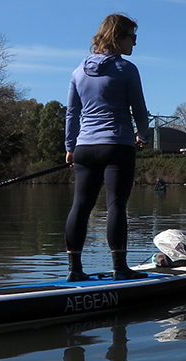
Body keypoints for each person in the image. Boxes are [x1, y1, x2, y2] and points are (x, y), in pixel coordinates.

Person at [63, 13, 151, 281]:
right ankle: (120, 269)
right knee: (115, 206)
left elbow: (71, 113)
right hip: (117, 146)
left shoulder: (78, 71)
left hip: (84, 149)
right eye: (132, 38)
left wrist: (70, 146)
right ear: (118, 37)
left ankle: (74, 271)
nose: (134, 44)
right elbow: (139, 112)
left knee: (80, 206)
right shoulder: (127, 69)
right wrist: (143, 137)